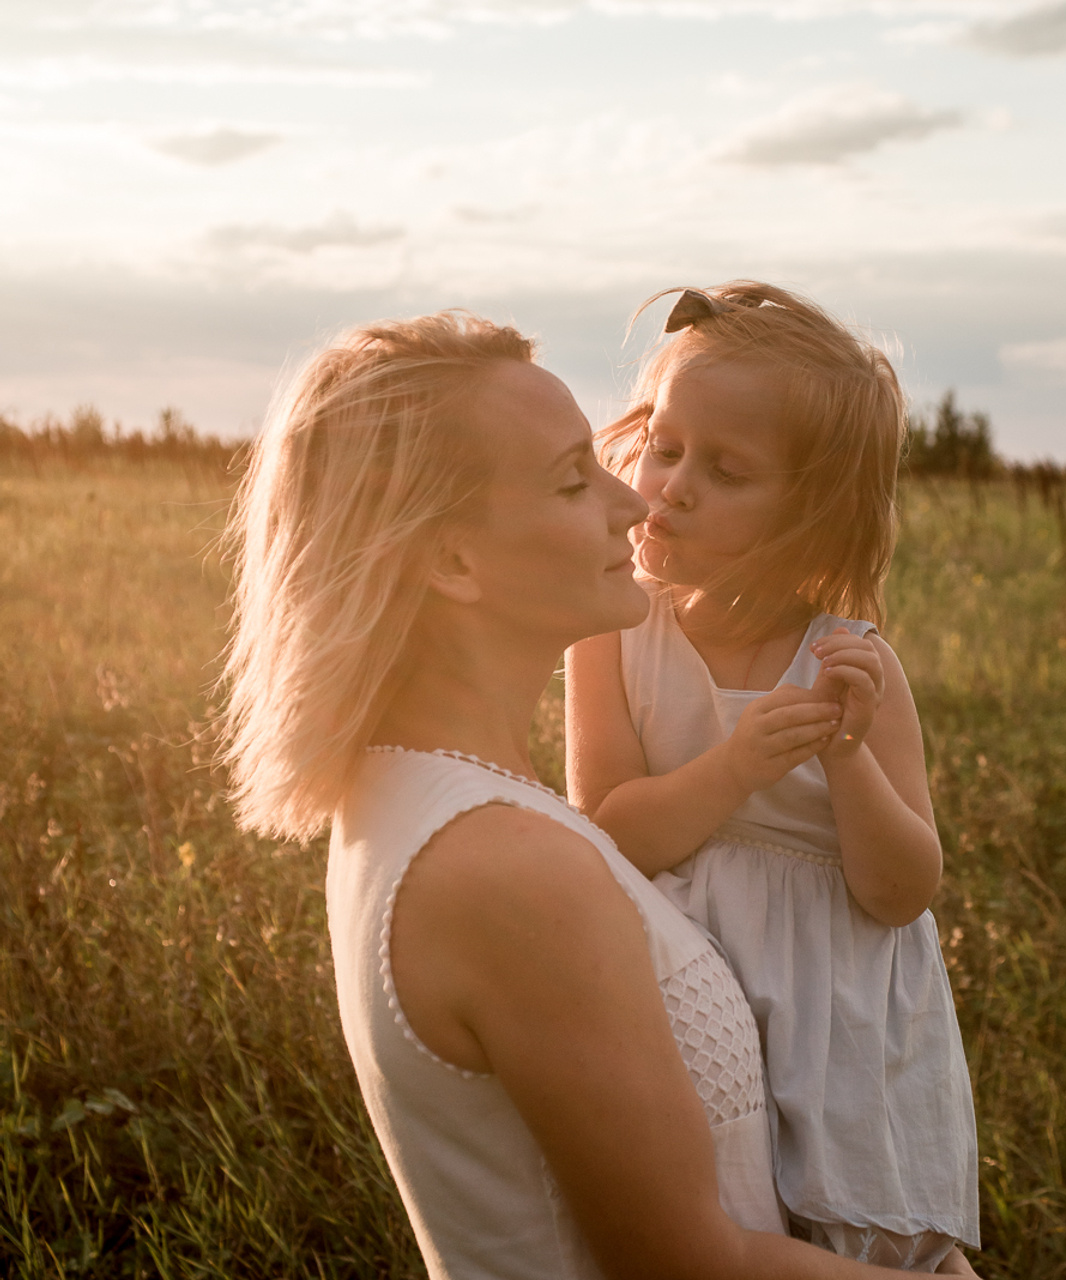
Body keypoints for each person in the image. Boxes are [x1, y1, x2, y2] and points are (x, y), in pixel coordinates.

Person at [218, 311, 980, 1279]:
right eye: (577, 476)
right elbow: (683, 1257)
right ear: (450, 560)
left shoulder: (420, 796)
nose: (640, 499)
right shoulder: (511, 866)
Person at [567, 282, 981, 1272]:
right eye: (664, 446)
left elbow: (900, 890)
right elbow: (612, 827)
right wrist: (733, 767)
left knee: (861, 1245)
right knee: (714, 1230)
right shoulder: (615, 633)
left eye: (726, 469)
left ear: (809, 509)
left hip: (835, 1010)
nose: (672, 484)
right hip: (684, 985)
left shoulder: (847, 663)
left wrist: (844, 758)